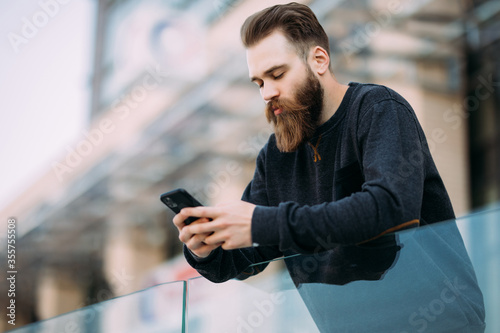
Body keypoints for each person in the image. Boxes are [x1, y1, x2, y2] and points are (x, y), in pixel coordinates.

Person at [172, 3, 486, 331]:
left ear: (319, 60)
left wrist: (265, 223)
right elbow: (242, 257)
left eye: (277, 74)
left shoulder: (378, 109)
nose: (268, 93)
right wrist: (205, 248)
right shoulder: (275, 156)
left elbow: (392, 208)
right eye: (258, 82)